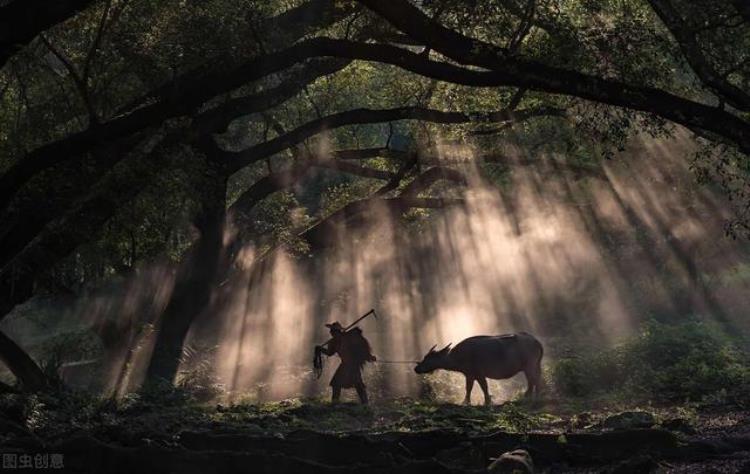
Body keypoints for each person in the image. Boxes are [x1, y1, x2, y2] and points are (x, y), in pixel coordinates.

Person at [316, 321, 376, 404]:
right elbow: (330, 353)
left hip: (353, 365)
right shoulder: (333, 342)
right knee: (336, 384)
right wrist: (320, 349)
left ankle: (365, 404)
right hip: (344, 365)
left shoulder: (348, 339)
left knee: (358, 385)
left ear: (337, 332)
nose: (331, 333)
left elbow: (360, 349)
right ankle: (335, 403)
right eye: (331, 331)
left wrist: (369, 357)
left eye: (333, 331)